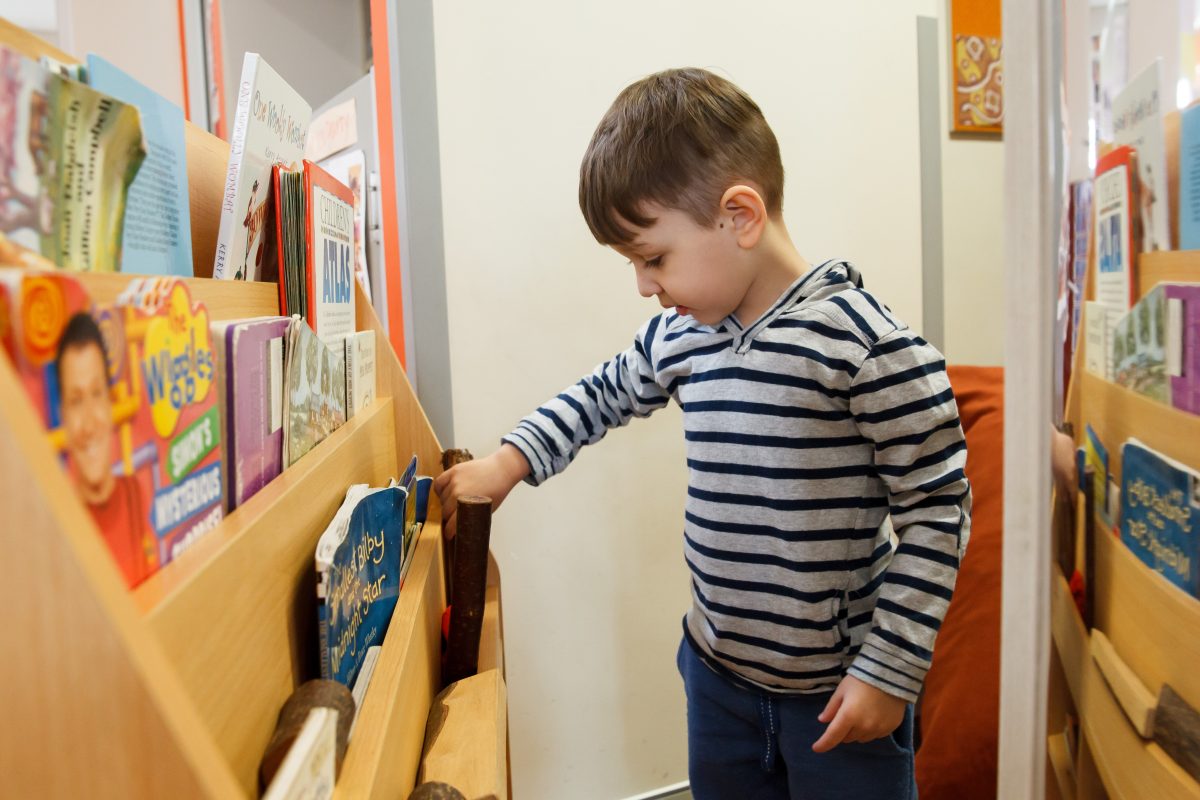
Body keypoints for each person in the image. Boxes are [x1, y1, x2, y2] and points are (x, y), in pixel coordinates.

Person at [434, 68, 971, 800]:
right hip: (718, 681)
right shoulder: (683, 336)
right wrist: (509, 460)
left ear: (740, 216)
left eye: (653, 258)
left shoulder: (867, 349)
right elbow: (603, 393)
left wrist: (889, 672)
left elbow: (937, 512)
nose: (645, 286)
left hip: (840, 699)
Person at [56, 311, 153, 586]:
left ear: (111, 404)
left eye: (97, 394)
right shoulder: (59, 525)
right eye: (76, 401)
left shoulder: (135, 493)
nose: (89, 424)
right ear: (63, 414)